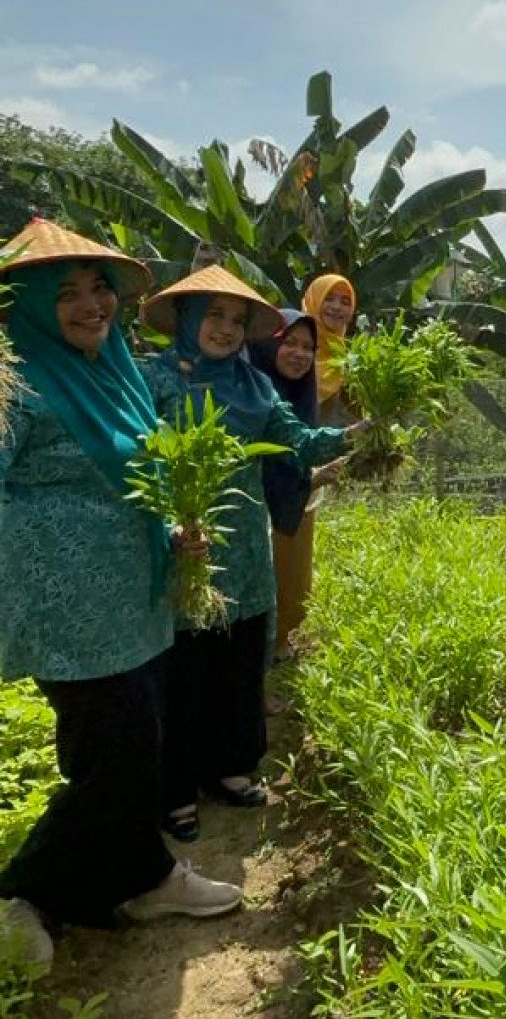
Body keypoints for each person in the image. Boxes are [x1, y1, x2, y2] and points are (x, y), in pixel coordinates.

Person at [0, 220, 241, 967]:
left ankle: (144, 877)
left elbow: (142, 476)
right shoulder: (15, 380)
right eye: (63, 292)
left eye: (98, 287)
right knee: (115, 758)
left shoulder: (114, 369)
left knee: (136, 744)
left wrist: (174, 527)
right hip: (68, 608)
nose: (90, 304)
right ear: (27, 305)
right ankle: (22, 894)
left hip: (135, 597)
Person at [141, 265, 354, 842]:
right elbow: (138, 464)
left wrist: (360, 435)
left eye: (236, 319)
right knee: (186, 669)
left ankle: (229, 768)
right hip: (185, 545)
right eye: (213, 314)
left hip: (245, 548)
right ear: (186, 319)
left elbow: (299, 440)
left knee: (238, 663)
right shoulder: (155, 382)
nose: (226, 328)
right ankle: (177, 786)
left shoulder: (254, 386)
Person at [249, 309, 338, 660]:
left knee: (293, 586)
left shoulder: (301, 395)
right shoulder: (250, 393)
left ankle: (276, 645)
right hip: (250, 512)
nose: (300, 354)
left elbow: (299, 447)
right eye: (289, 343)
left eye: (308, 347)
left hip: (293, 504)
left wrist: (316, 474)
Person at [302, 274, 358, 422]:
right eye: (328, 298)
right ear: (313, 300)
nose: (336, 307)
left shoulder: (346, 358)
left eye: (345, 302)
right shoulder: (292, 343)